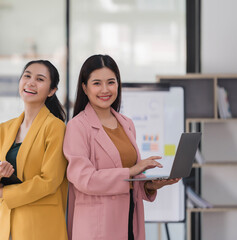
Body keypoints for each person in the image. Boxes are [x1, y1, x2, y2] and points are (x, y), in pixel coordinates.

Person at [63, 54, 180, 240]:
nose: (105, 89)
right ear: (84, 87)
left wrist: (151, 185)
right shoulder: (77, 126)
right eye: (96, 83)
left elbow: (131, 182)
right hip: (97, 227)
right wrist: (132, 170)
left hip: (129, 220)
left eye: (111, 82)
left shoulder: (127, 124)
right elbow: (85, 179)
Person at [0, 60, 68, 240]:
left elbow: (50, 181)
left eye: (40, 79)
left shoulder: (55, 127)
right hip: (7, 224)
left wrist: (6, 193)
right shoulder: (5, 128)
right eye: (27, 76)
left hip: (40, 225)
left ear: (52, 91)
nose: (31, 82)